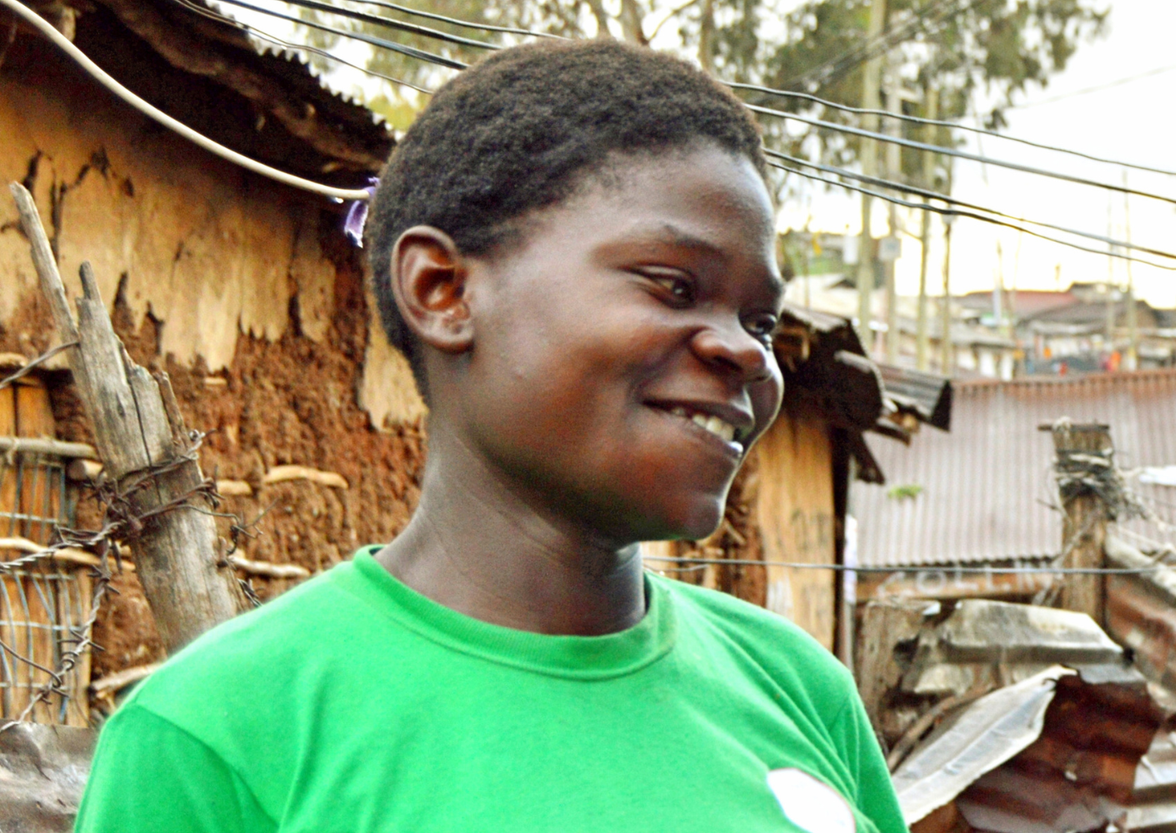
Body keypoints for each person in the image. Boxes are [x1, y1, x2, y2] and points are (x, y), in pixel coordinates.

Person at [73, 39, 908, 833]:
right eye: (674, 286)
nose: (746, 351)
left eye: (760, 320)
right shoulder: (219, 735)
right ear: (443, 291)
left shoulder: (800, 689)